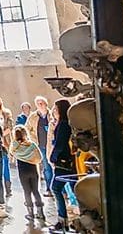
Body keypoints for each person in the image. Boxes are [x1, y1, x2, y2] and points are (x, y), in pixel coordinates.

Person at [50, 98, 77, 232]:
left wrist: (53, 157)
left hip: (63, 161)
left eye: (55, 108)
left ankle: (63, 220)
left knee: (56, 188)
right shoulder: (66, 123)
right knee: (73, 188)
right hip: (69, 160)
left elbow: (60, 143)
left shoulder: (63, 124)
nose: (53, 111)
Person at [10, 125, 46, 221]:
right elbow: (40, 157)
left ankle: (30, 213)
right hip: (33, 170)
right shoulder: (32, 145)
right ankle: (40, 212)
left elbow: (12, 154)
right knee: (36, 191)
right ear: (26, 133)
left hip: (23, 171)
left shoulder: (14, 145)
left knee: (27, 191)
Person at [26, 96, 53, 196]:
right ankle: (49, 188)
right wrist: (33, 139)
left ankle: (59, 189)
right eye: (38, 104)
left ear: (46, 104)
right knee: (46, 167)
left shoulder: (51, 115)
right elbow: (27, 128)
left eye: (42, 103)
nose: (40, 105)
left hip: (51, 144)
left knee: (54, 166)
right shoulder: (33, 116)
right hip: (40, 144)